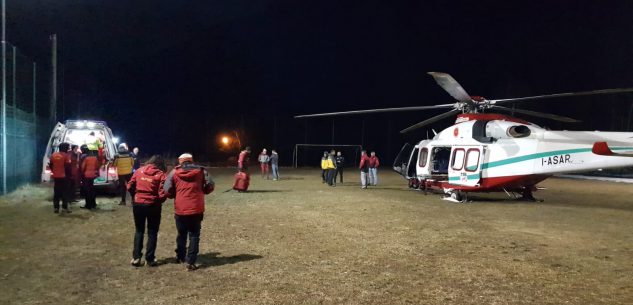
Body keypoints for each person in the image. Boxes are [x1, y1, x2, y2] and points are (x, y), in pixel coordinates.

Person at [164, 153, 215, 271]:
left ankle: (180, 256)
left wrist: (174, 195)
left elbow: (166, 189)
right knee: (194, 235)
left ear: (180, 161)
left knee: (181, 234)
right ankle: (191, 261)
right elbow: (210, 185)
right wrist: (204, 191)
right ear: (191, 161)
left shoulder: (174, 172)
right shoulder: (201, 171)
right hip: (196, 208)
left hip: (180, 209)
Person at [127, 155, 167, 267]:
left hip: (138, 203)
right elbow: (162, 193)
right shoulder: (161, 174)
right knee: (152, 231)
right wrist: (160, 200)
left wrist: (135, 196)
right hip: (153, 205)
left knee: (139, 230)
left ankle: (136, 258)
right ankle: (150, 258)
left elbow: (130, 186)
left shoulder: (139, 171)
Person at [49, 142, 72, 214]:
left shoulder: (53, 155)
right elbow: (68, 166)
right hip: (64, 177)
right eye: (67, 148)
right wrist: (69, 176)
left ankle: (56, 208)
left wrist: (55, 171)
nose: (68, 149)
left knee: (56, 192)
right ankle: (64, 208)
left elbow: (51, 165)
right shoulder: (66, 156)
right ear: (65, 148)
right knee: (65, 192)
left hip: (56, 176)